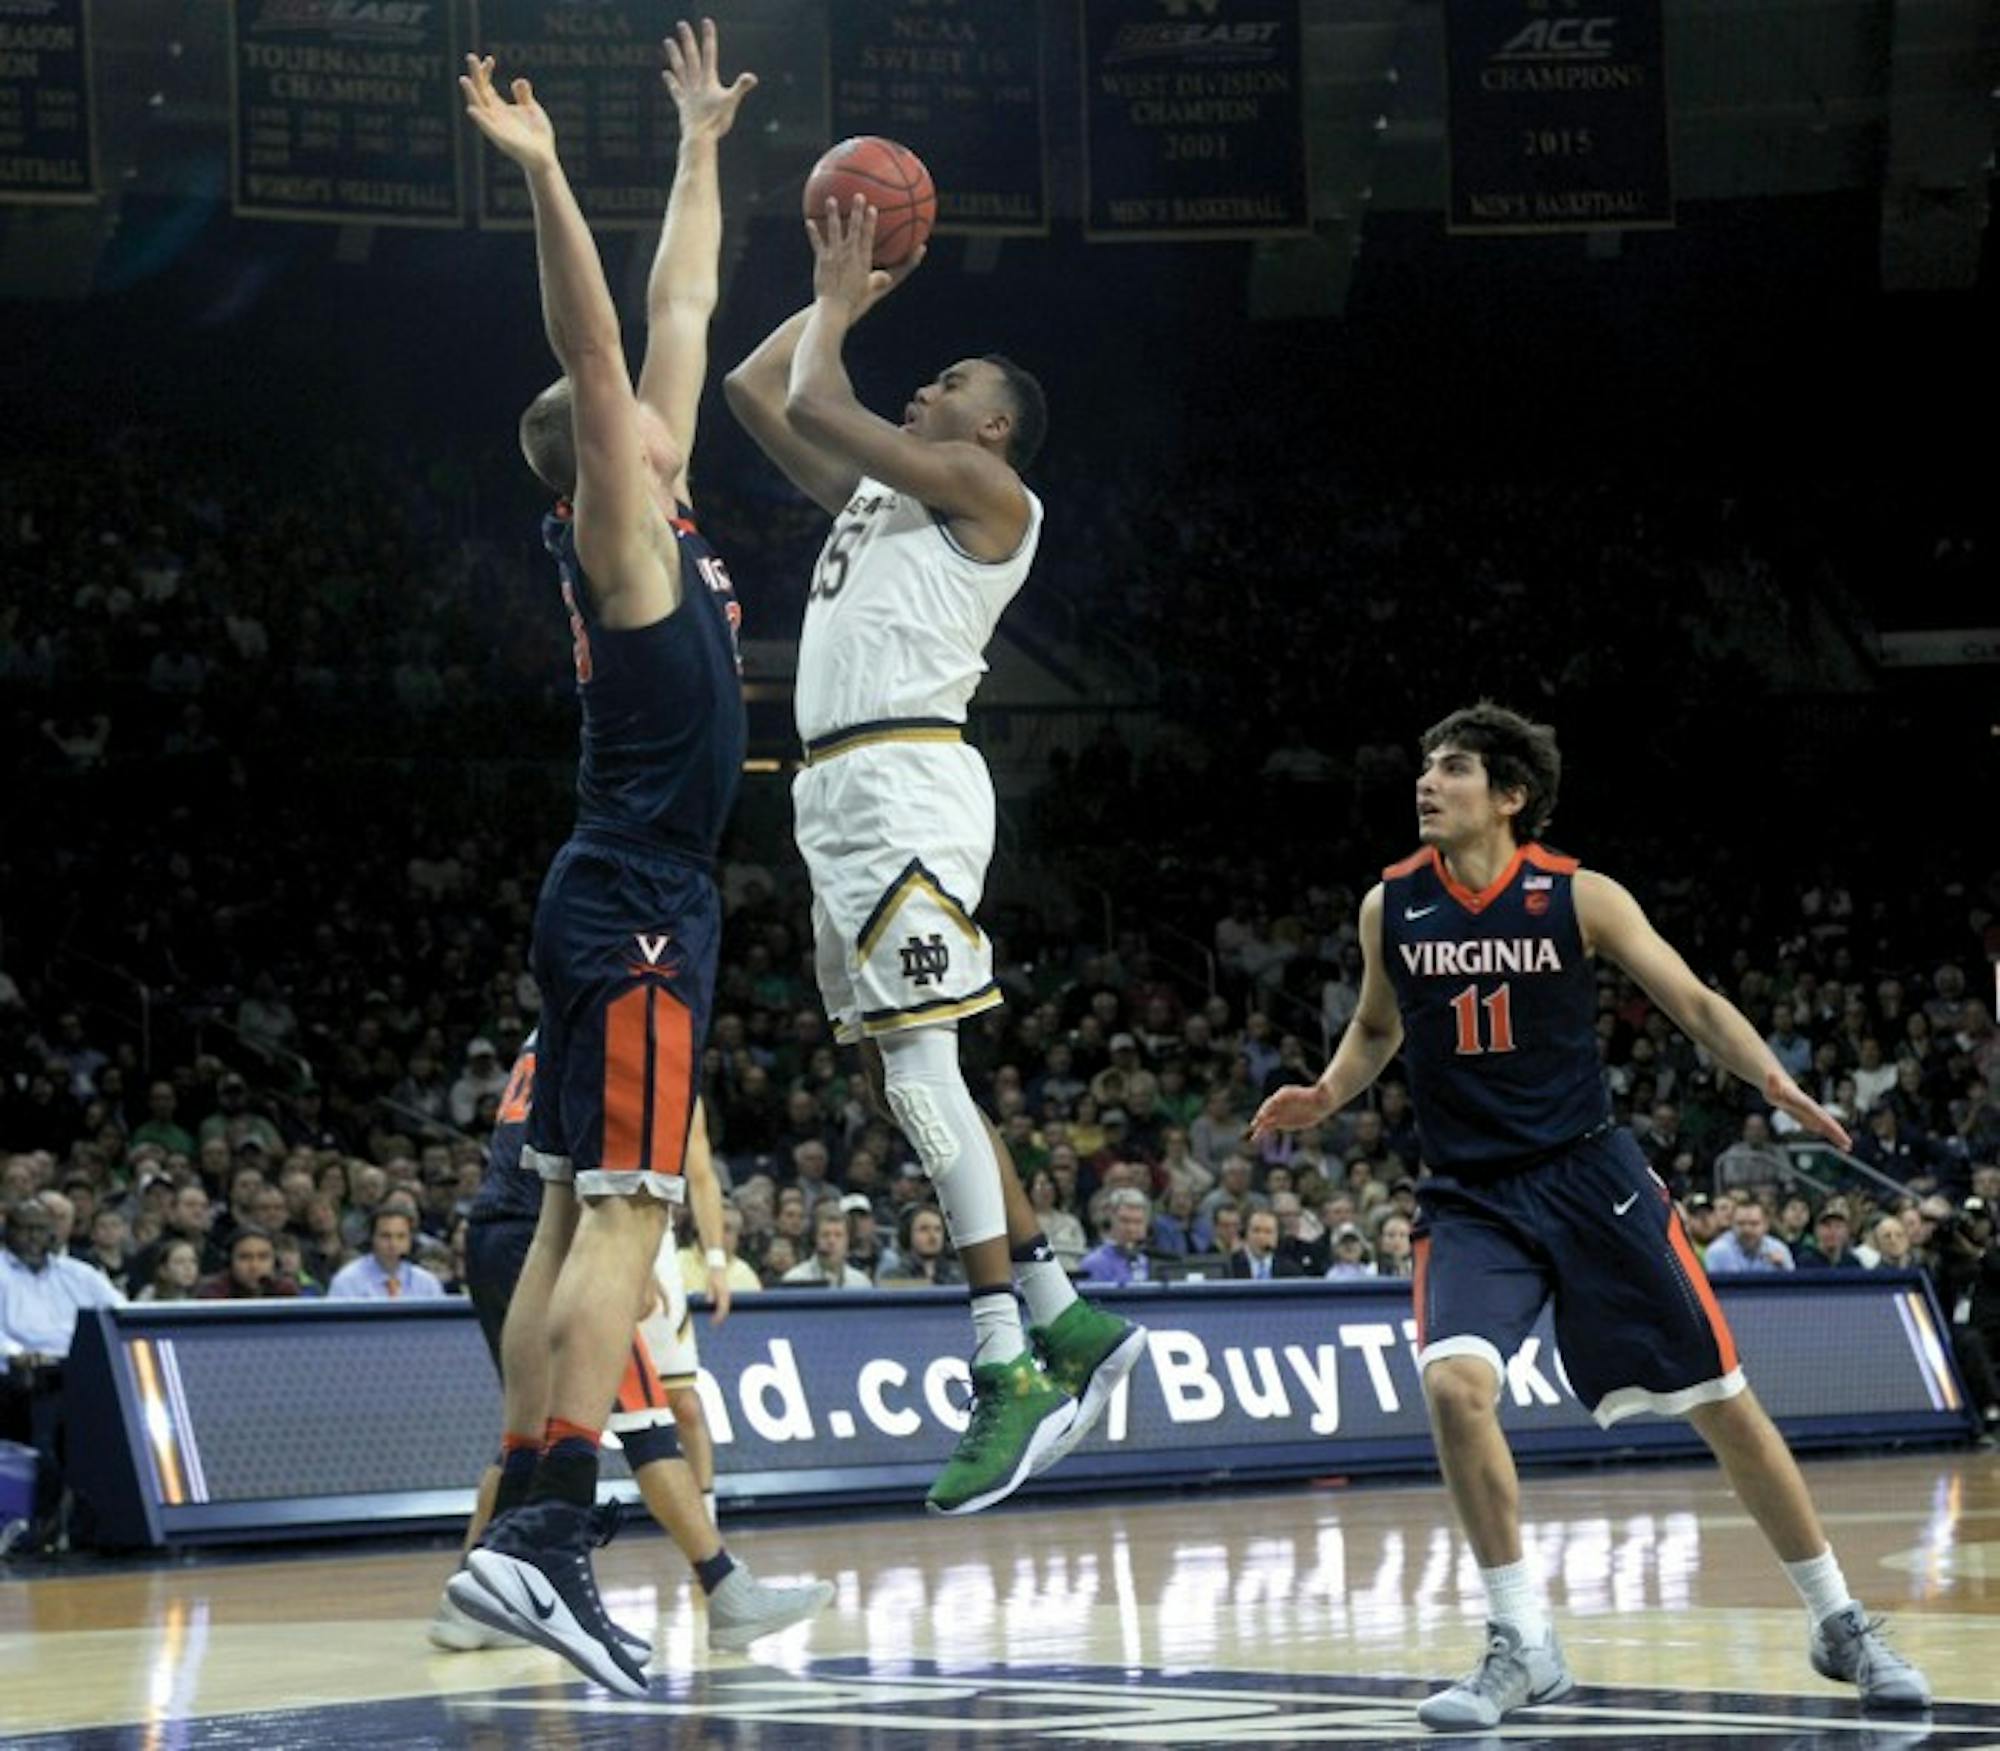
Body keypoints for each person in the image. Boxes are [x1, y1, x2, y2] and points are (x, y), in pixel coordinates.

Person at [1251, 704, 1928, 1730]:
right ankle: (1522, 1637)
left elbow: (1693, 1003)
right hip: (1469, 1194)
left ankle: (1837, 1620)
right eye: (1425, 766)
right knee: (1454, 1386)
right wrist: (1326, 1092)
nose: (1426, 782)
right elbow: (1377, 1026)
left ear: (1509, 795)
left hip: (1588, 1177)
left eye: (1453, 768)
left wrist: (1774, 1080)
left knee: (1722, 1399)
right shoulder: (1390, 905)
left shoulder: (1578, 895)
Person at [724, 184, 1140, 1517]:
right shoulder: (879, 498)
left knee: (917, 1066)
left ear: (995, 424)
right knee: (909, 1071)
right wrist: (839, 301)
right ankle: (1067, 1311)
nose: (923, 389)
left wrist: (839, 309)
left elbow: (817, 394)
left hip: (906, 781)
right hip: (840, 794)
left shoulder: (989, 490)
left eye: (949, 381)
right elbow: (756, 389)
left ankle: (1005, 1363)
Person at [441, 25, 761, 1697]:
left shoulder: (665, 502)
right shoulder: (620, 534)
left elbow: (681, 306)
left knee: (576, 1213)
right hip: (639, 898)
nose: (658, 402)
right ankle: (551, 1538)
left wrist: (700, 149)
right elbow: (598, 330)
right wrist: (550, 172)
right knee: (627, 1224)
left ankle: (521, 1524)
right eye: (631, 407)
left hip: (616, 890)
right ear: (602, 449)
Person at [434, 1032, 830, 1656]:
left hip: (494, 1231)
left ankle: (468, 1597)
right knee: (649, 1428)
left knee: (527, 1435)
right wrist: (627, 1262)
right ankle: (727, 1592)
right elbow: (594, 1146)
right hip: (558, 1238)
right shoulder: (619, 1022)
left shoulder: (552, 1025)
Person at [1703, 1195, 1796, 1274]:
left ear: (1766, 1225)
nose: (1747, 1229)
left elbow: (1793, 1285)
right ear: (1732, 1224)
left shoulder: (1778, 1249)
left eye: (1754, 1224)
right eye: (1741, 1223)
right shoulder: (1718, 1251)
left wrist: (1782, 1268)